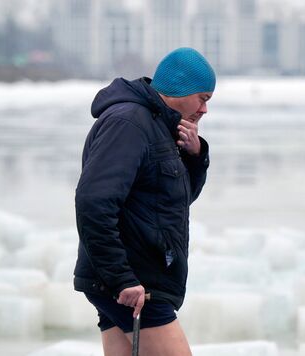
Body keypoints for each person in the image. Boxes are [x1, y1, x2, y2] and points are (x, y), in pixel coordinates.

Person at [74, 47, 215, 356]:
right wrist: (121, 278)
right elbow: (94, 202)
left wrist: (194, 157)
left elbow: (171, 204)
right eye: (203, 98)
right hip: (135, 285)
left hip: (133, 283)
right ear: (181, 87)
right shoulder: (129, 124)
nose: (204, 110)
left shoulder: (158, 127)